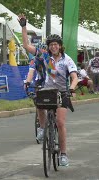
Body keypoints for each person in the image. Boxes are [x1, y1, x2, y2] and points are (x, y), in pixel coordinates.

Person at [19, 14, 78, 167]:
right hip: (48, 90)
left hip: (62, 93)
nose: (53, 46)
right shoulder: (45, 56)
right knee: (38, 101)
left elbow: (74, 77)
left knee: (60, 122)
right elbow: (26, 46)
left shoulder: (67, 59)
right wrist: (23, 26)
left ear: (60, 45)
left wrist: (71, 88)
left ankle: (63, 154)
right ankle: (43, 127)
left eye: (56, 44)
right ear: (49, 46)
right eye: (51, 44)